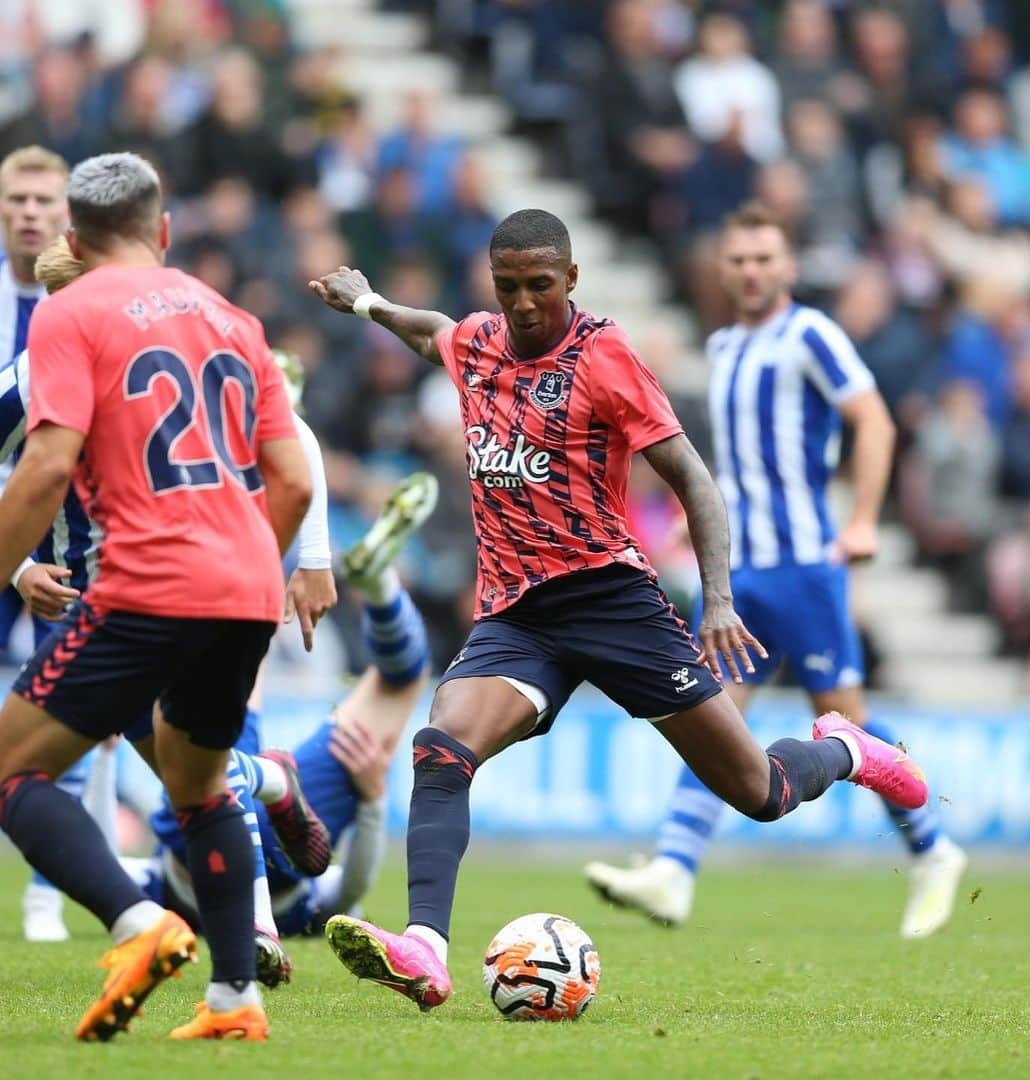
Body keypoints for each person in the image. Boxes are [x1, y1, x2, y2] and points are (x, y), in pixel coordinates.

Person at [308, 208, 929, 1012]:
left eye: (540, 285)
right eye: (508, 288)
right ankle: (426, 947)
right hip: (518, 615)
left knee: (761, 791)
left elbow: (694, 480)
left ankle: (843, 748)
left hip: (612, 600)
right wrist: (364, 302)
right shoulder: (478, 344)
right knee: (439, 746)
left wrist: (717, 599)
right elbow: (430, 330)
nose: (525, 303)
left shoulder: (603, 356)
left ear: (570, 280)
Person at [584, 202, 967, 939]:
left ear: (787, 266)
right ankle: (674, 867)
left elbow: (875, 420)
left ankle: (933, 849)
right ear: (723, 268)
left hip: (804, 567)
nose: (752, 270)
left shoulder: (812, 334)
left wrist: (860, 519)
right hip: (743, 574)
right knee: (713, 715)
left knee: (848, 725)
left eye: (765, 258)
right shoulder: (725, 344)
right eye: (740, 259)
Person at [0, 152, 312, 1041]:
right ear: (164, 230)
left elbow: (46, 465)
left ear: (71, 238)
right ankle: (234, 1000)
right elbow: (290, 479)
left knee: (12, 768)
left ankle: (140, 926)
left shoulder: (67, 310)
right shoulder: (234, 318)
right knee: (198, 782)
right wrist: (247, 567)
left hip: (143, 584)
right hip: (246, 586)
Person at [124, 472, 437, 938]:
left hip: (199, 837)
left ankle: (245, 515)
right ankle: (376, 587)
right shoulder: (161, 891)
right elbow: (350, 893)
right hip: (281, 852)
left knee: (219, 699)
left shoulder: (156, 891)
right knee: (401, 680)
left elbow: (348, 892)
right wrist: (373, 799)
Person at [0, 144, 118, 943]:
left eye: (44, 199)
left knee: (76, 712)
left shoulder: (89, 308)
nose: (29, 211)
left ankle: (52, 892)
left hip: (73, 541)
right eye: (17, 199)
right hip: (12, 527)